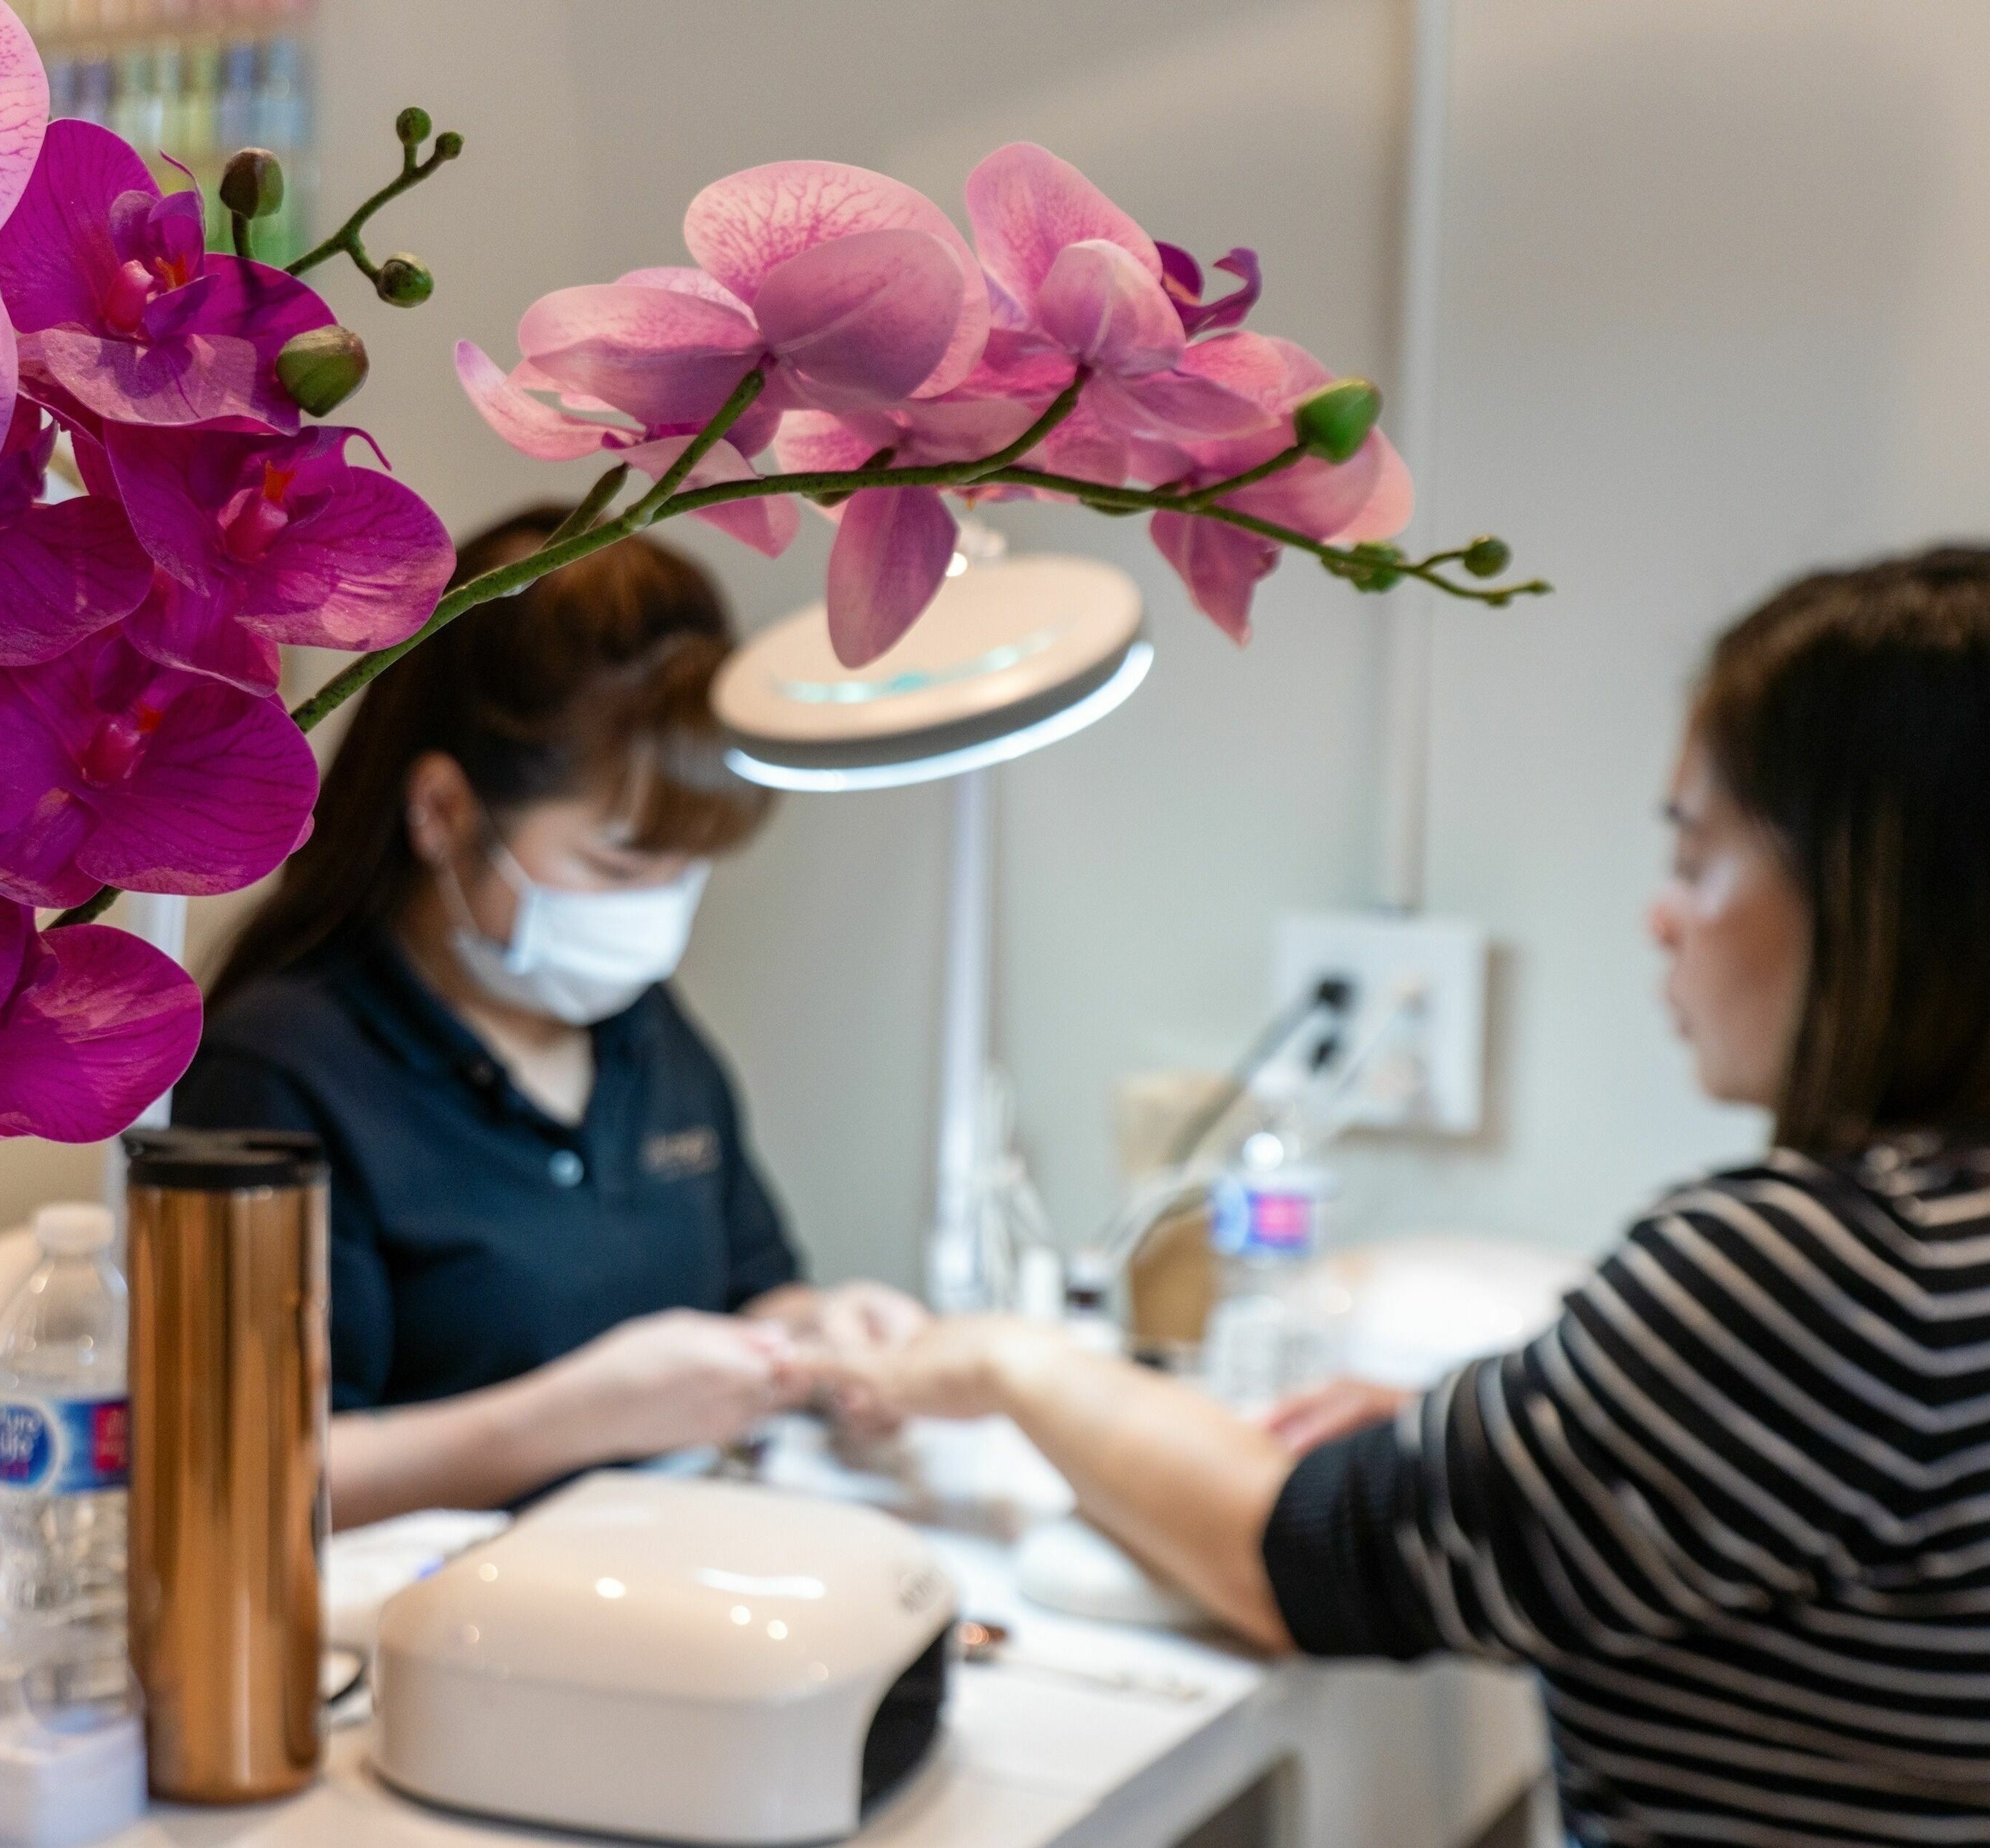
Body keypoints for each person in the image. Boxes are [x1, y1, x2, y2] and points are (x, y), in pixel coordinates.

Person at [829, 548, 1990, 1846]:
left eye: (1701, 857)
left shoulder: (1822, 1273)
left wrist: (1010, 1362)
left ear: (1879, 889)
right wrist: (1520, 1430)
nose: (1663, 919)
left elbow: (1305, 1559)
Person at [179, 506, 925, 1532]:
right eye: (618, 866)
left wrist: (828, 1337)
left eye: (683, 872)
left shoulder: (638, 1028)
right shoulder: (279, 1071)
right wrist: (576, 1417)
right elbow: (248, 1479)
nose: (657, 915)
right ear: (442, 812)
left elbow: (754, 1286)